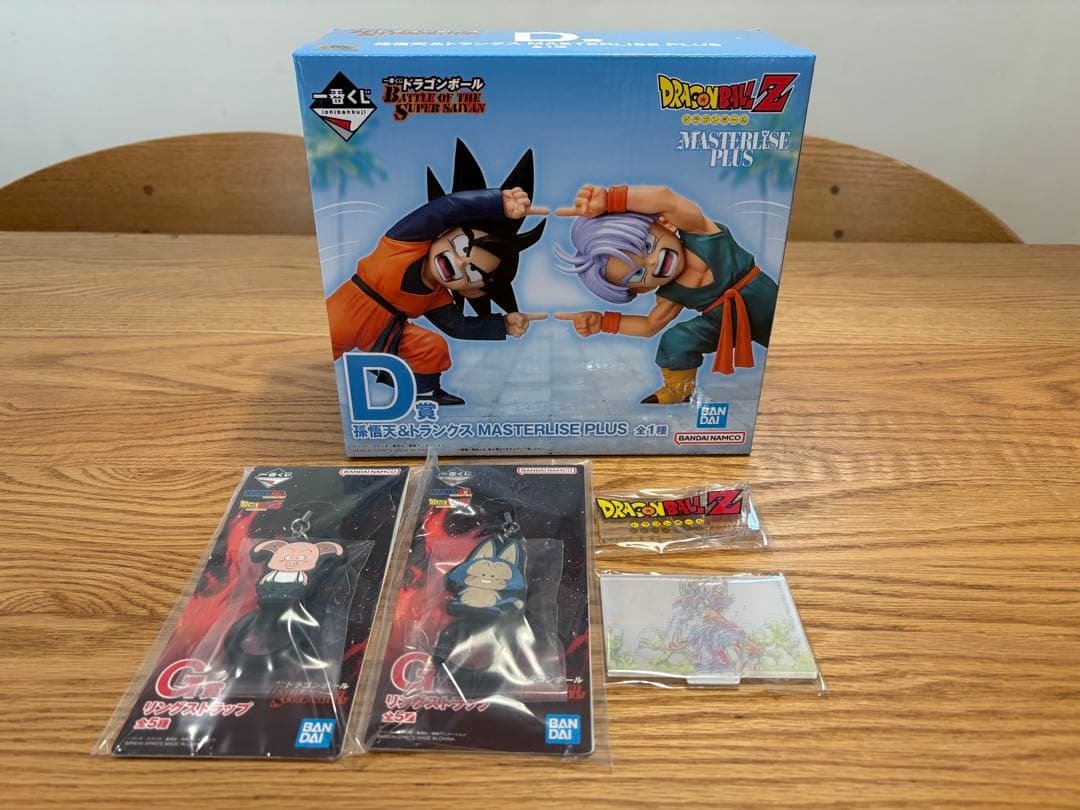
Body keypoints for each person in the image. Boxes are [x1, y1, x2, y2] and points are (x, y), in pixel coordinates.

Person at [326, 139, 548, 406]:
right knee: (323, 344)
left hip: (386, 333)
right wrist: (496, 202)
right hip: (345, 313)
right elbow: (444, 209)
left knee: (432, 346)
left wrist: (503, 324)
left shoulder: (437, 297)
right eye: (462, 246)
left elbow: (458, 326)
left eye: (473, 273)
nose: (461, 263)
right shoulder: (402, 243)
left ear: (472, 290)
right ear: (445, 231)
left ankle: (424, 392)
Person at [554, 184, 777, 404]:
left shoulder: (701, 232)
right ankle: (681, 389)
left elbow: (666, 199)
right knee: (675, 340)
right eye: (638, 274)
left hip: (765, 299)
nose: (652, 262)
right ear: (641, 289)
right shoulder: (671, 294)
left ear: (664, 224)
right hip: (725, 324)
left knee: (785, 343)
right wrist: (604, 322)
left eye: (647, 246)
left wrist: (611, 199)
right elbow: (649, 326)